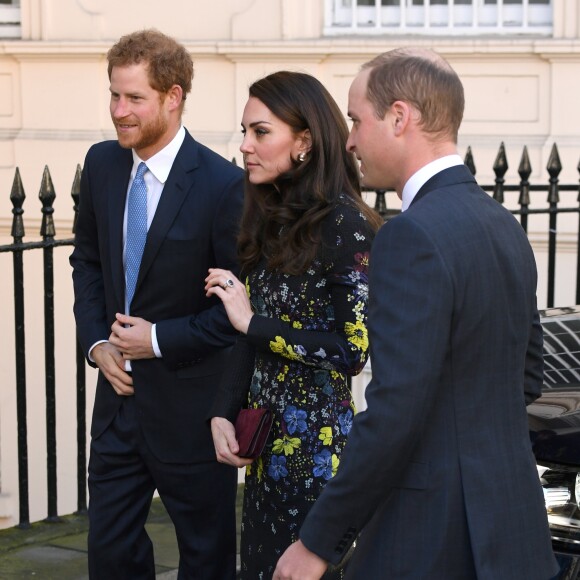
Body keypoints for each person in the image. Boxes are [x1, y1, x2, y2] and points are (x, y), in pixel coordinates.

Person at [274, 48, 559, 580]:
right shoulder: (504, 225)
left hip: (431, 538)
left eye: (357, 119)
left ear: (399, 117)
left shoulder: (409, 235)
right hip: (512, 529)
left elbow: (395, 411)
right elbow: (526, 378)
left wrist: (316, 541)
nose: (351, 139)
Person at [69, 29, 244, 579]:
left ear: (173, 96)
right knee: (111, 555)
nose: (119, 111)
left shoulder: (224, 185)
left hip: (193, 412)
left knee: (205, 558)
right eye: (114, 95)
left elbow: (233, 314)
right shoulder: (100, 165)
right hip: (118, 406)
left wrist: (159, 339)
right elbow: (88, 264)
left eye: (134, 98)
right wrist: (98, 343)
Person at [205, 70, 383, 579]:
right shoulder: (269, 214)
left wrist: (253, 322)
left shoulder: (345, 223)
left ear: (304, 140)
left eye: (261, 132)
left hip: (319, 464)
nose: (245, 146)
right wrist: (223, 411)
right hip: (266, 456)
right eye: (245, 131)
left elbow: (351, 351)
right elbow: (247, 333)